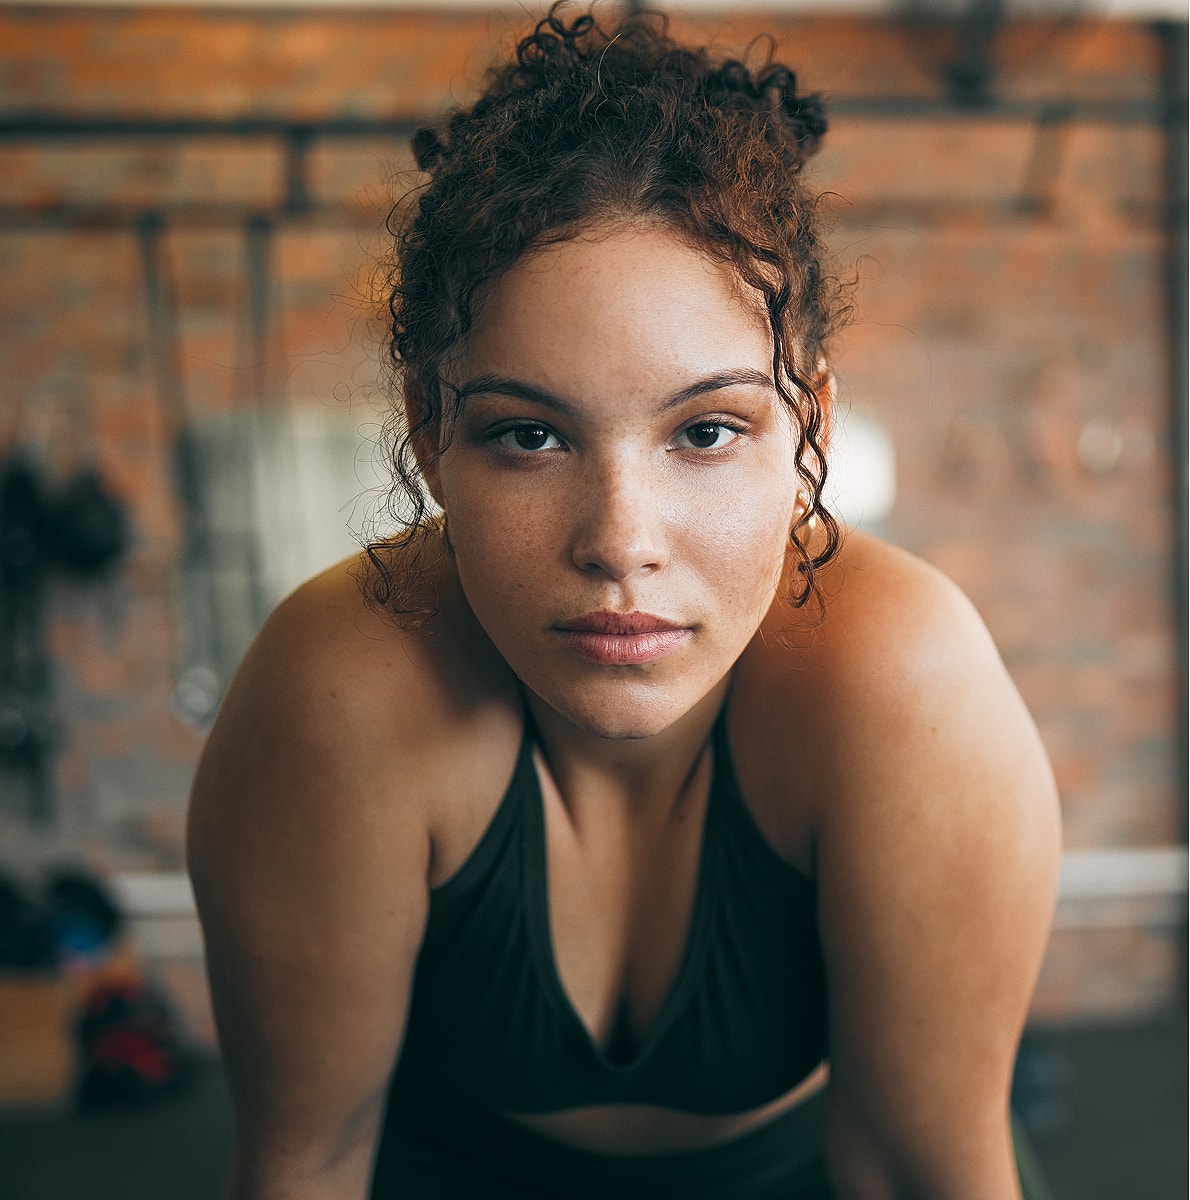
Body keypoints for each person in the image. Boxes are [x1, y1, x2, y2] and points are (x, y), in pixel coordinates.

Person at [186, 5, 1061, 1197]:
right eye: (529, 435)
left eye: (704, 430)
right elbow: (308, 1166)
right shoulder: (339, 689)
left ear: (808, 424)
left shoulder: (902, 684)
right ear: (428, 434)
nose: (619, 543)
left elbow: (917, 1173)